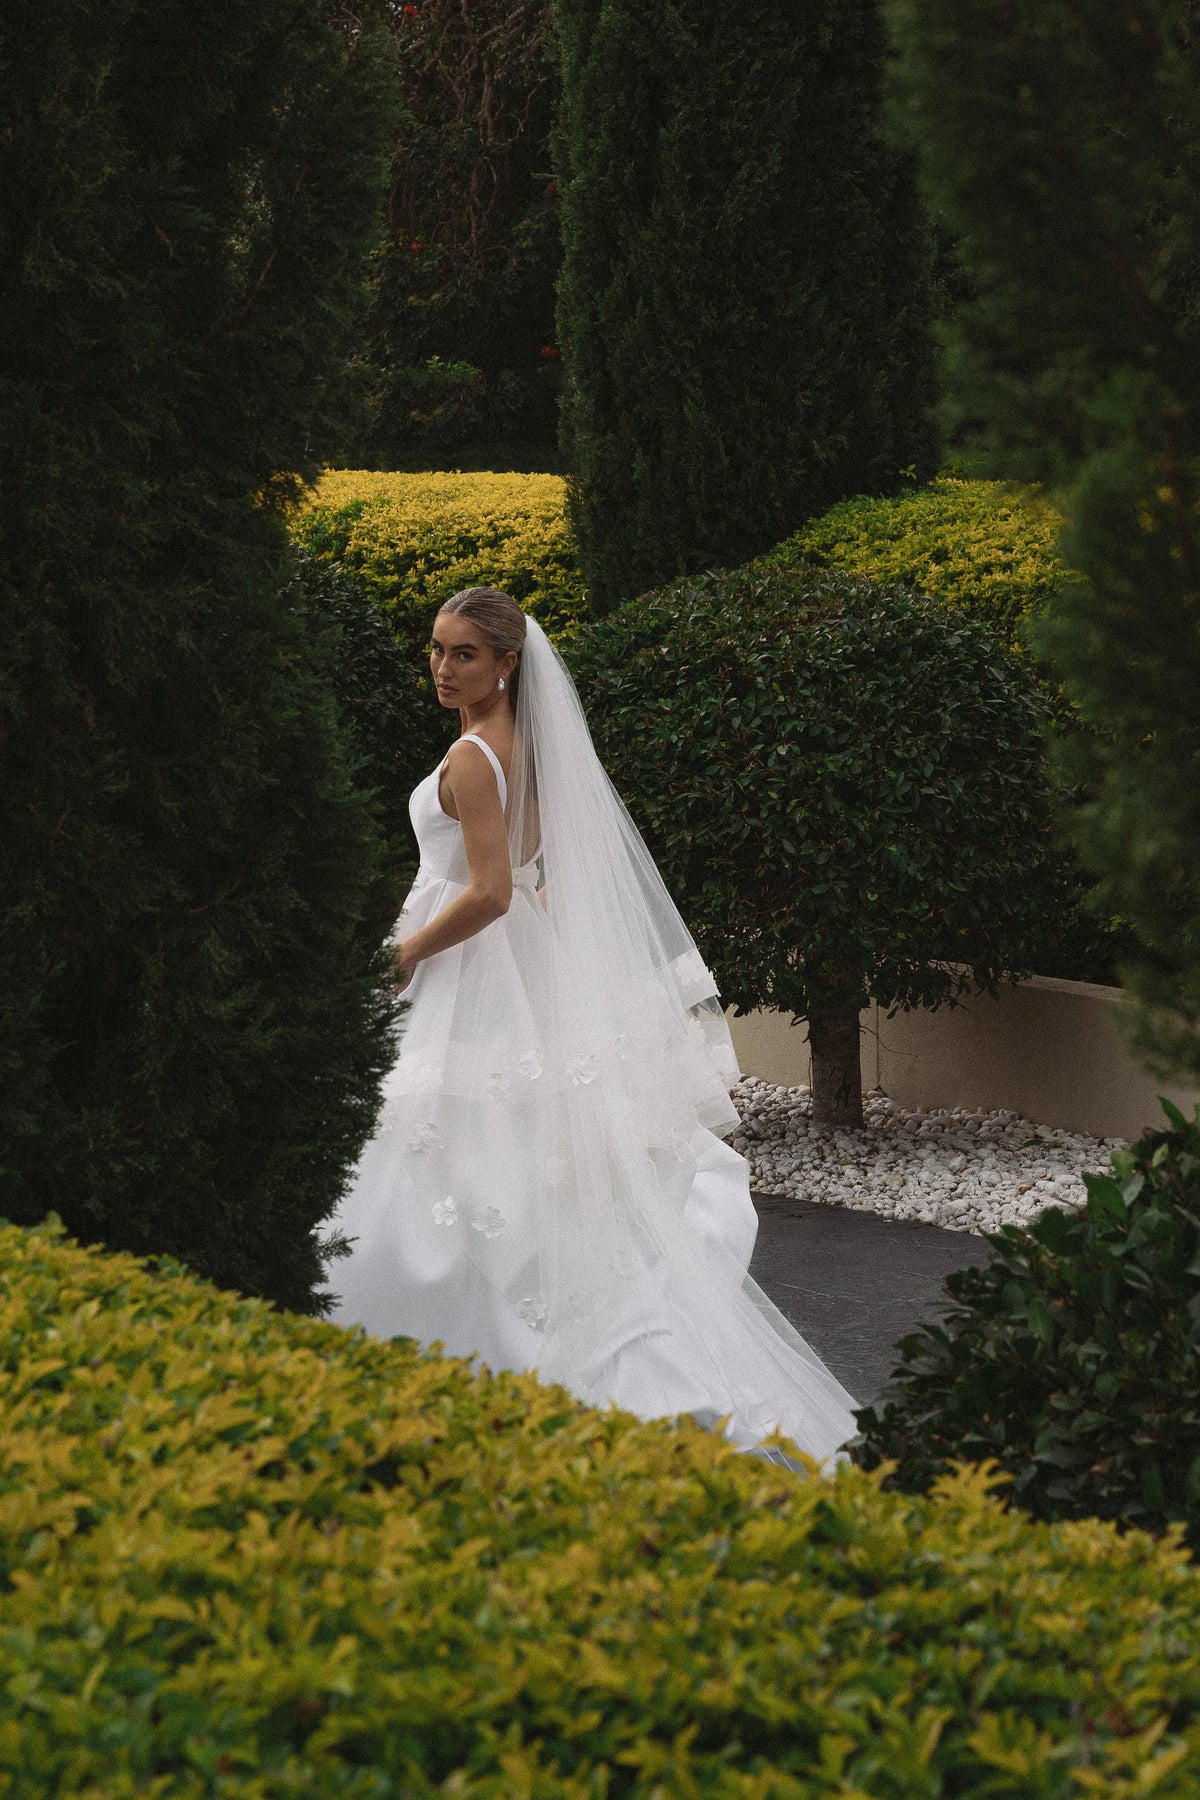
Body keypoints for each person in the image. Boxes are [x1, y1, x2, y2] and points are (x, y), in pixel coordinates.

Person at [327, 586, 857, 1463]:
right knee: (493, 1132)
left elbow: (491, 892)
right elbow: (535, 879)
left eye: (464, 654)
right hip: (512, 962)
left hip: (465, 964)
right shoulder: (522, 746)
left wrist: (407, 951)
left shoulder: (471, 761)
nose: (442, 669)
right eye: (435, 650)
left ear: (506, 664)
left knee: (436, 1132)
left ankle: (445, 1327)